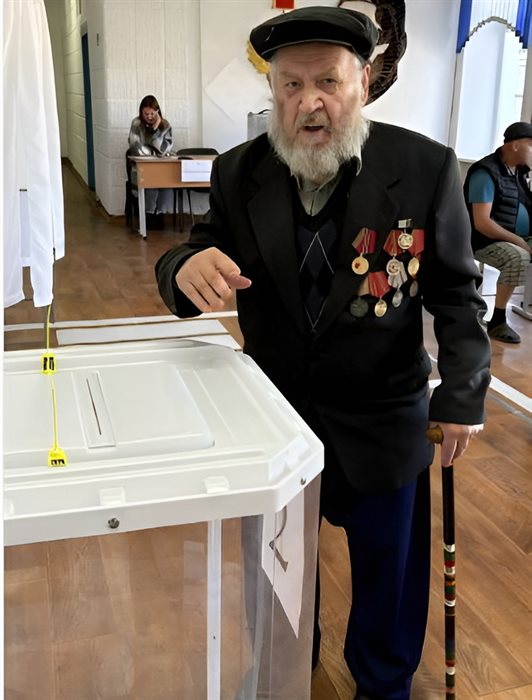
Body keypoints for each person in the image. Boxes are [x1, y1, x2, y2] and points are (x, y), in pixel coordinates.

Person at [156, 6, 491, 699]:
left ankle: (383, 684)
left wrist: (462, 395)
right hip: (275, 420)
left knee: (389, 581)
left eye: (328, 82)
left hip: (384, 418)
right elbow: (194, 252)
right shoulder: (238, 172)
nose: (309, 102)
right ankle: (284, 670)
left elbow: (457, 295)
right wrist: (182, 269)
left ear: (363, 82)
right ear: (272, 90)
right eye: (291, 84)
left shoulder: (424, 169)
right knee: (275, 580)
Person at [464, 121, 532, 343]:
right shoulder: (485, 173)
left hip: (518, 237)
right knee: (518, 257)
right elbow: (482, 223)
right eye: (531, 145)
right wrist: (518, 241)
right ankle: (498, 321)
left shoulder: (520, 172)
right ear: (515, 145)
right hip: (483, 240)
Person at [127, 94, 173, 228]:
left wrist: (156, 129)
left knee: (166, 181)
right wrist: (155, 152)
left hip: (161, 166)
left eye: (152, 113)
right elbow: (136, 148)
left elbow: (165, 149)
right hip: (140, 167)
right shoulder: (136, 124)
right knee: (151, 179)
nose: (149, 116)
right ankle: (149, 215)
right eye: (146, 113)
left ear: (157, 111)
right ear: (141, 112)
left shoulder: (165, 125)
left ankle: (158, 214)